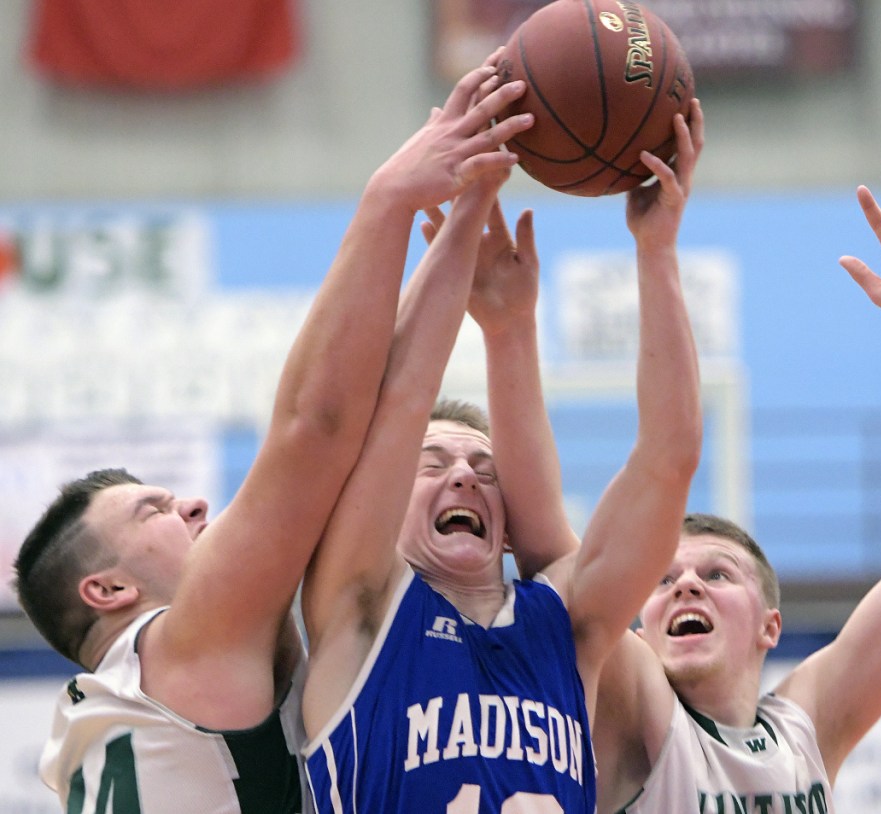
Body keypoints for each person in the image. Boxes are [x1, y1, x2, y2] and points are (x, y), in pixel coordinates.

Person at [10, 56, 533, 814]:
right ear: (111, 590)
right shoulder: (180, 647)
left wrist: (459, 222)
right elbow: (313, 430)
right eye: (154, 510)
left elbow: (384, 413)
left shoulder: (111, 715)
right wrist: (388, 200)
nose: (193, 506)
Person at [299, 103, 705, 811]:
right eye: (433, 465)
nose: (463, 474)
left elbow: (669, 458)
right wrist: (469, 207)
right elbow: (396, 403)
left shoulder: (569, 623)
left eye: (486, 472)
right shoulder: (359, 611)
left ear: (509, 522)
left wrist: (656, 248)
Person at [588, 168, 881, 812]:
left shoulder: (806, 726)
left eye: (717, 574)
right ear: (638, 630)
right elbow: (660, 450)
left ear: (770, 626)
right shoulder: (632, 710)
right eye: (662, 582)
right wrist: (656, 251)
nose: (686, 585)